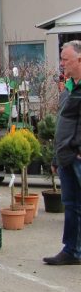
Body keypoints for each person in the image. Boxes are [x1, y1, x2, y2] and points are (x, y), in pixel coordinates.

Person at [45, 41, 81, 265]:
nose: (61, 63)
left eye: (65, 59)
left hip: (77, 155)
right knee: (71, 205)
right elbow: (63, 122)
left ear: (79, 60)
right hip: (66, 155)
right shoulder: (69, 87)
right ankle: (72, 250)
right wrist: (56, 157)